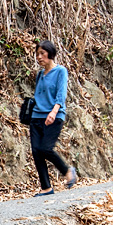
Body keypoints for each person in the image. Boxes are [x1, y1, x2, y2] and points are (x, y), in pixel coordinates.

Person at [30, 40, 77, 195]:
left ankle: (67, 170)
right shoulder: (39, 75)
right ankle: (46, 187)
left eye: (42, 53)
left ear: (50, 54)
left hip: (54, 116)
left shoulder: (60, 71)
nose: (39, 57)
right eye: (37, 54)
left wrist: (54, 111)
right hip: (36, 116)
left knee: (45, 148)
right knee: (37, 152)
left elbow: (61, 94)